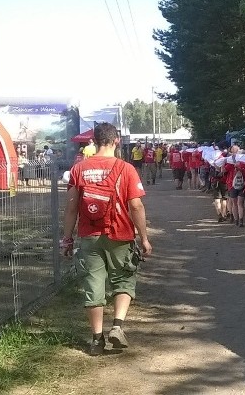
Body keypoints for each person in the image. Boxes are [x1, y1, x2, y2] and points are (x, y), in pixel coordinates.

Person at [61, 123, 153, 356]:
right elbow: (136, 205)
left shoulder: (78, 169)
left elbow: (71, 208)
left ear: (94, 141)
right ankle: (117, 326)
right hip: (120, 234)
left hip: (89, 235)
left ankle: (96, 340)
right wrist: (144, 237)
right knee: (123, 280)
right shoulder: (126, 168)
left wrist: (67, 239)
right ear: (116, 141)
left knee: (93, 285)